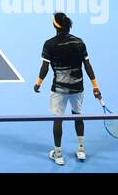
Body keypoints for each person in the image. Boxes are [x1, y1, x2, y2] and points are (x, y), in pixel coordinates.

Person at [34, 12, 102, 166]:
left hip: (59, 89)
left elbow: (44, 68)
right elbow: (88, 66)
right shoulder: (79, 42)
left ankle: (58, 154)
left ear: (55, 25)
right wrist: (95, 86)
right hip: (78, 87)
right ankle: (81, 150)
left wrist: (38, 83)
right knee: (78, 115)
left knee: (58, 119)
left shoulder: (49, 44)